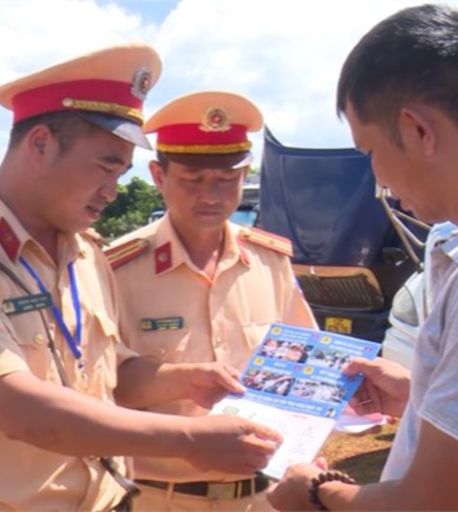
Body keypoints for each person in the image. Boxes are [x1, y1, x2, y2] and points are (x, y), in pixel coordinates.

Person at [0, 45, 282, 511]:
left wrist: (185, 380)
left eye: (122, 172)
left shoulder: (86, 254)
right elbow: (17, 408)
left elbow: (112, 373)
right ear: (40, 143)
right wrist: (188, 437)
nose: (112, 191)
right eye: (105, 166)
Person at [267, 4, 458, 511]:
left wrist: (312, 492)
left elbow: (429, 504)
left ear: (417, 130)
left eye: (368, 151)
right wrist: (421, 397)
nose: (378, 180)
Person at [108, 90, 318, 511]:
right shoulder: (115, 269)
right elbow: (105, 384)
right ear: (157, 175)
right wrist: (180, 378)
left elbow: (305, 367)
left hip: (264, 496)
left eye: (227, 179)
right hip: (160, 498)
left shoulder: (269, 261)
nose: (211, 196)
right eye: (193, 179)